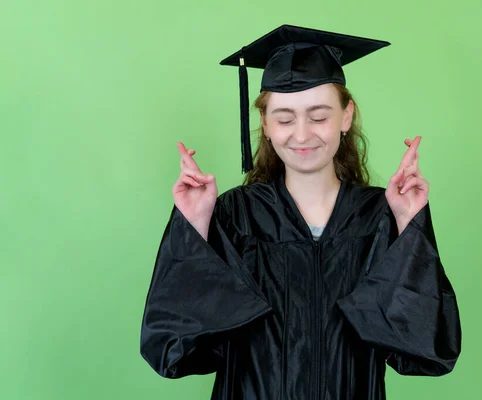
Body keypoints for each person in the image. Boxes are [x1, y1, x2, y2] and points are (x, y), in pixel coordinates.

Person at [139, 24, 461, 399]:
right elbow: (174, 349)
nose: (302, 134)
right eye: (285, 118)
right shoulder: (234, 215)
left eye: (319, 116)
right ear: (265, 124)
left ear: (346, 116)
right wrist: (195, 224)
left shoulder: (379, 215)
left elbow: (427, 348)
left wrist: (408, 223)